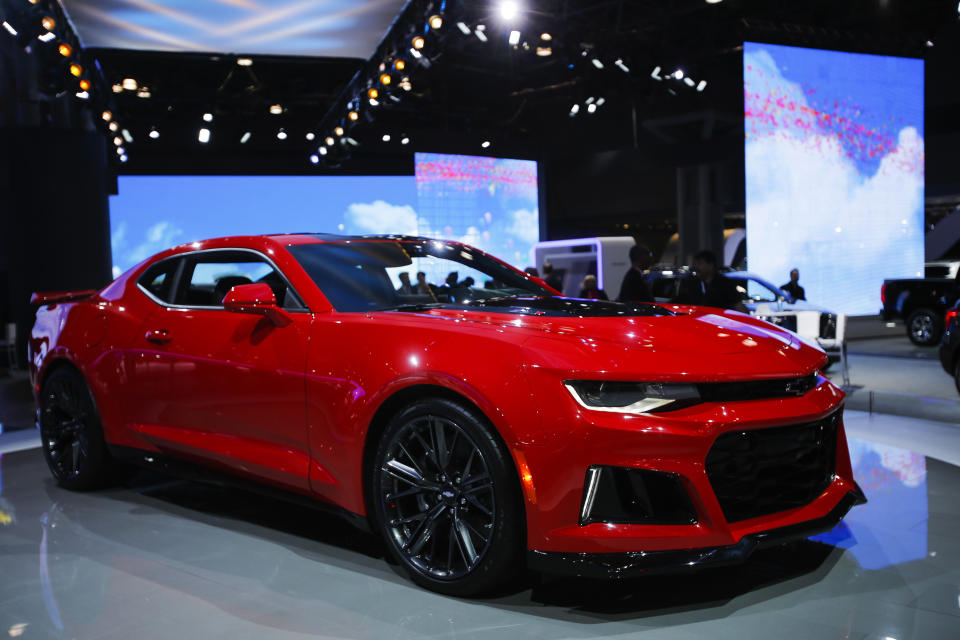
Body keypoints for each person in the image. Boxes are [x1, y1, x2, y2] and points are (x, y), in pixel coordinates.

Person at [674, 250, 746, 311]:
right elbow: (680, 301)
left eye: (700, 264)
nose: (696, 267)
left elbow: (738, 304)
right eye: (695, 264)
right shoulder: (692, 284)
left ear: (711, 265)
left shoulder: (725, 284)